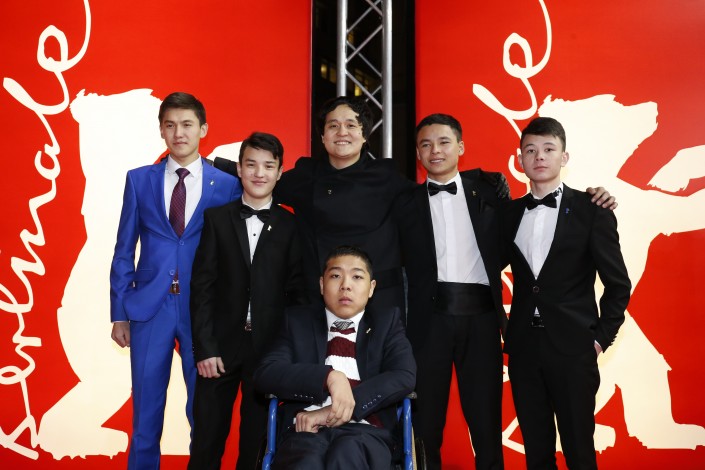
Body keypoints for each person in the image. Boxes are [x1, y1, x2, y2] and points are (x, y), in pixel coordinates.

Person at [396, 113, 618, 470]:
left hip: (487, 322)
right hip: (433, 326)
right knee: (428, 426)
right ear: (418, 153)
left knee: (492, 428)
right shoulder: (405, 202)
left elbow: (613, 281)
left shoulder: (490, 192)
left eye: (444, 142)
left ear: (461, 147)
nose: (435, 150)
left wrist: (599, 337)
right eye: (426, 144)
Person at [109, 92, 242, 469]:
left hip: (203, 311)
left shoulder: (227, 184)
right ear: (161, 131)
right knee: (145, 415)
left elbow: (234, 255)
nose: (178, 133)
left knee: (204, 414)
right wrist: (119, 312)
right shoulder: (139, 180)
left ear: (203, 129)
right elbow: (124, 249)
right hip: (149, 310)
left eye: (187, 125)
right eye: (170, 125)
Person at [501, 117, 631, 469]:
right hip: (524, 349)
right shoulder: (509, 213)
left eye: (548, 149)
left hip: (574, 348)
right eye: (530, 150)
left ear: (564, 157)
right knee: (536, 452)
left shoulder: (592, 209)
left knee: (579, 450)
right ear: (520, 160)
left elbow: (618, 284)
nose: (539, 157)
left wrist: (599, 339)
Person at [214, 96, 414, 309]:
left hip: (378, 300)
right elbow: (262, 179)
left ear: (364, 134)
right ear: (322, 136)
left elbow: (424, 206)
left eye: (351, 125)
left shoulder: (386, 177)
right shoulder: (306, 176)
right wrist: (208, 163)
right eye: (333, 126)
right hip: (317, 299)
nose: (342, 132)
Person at [187, 132, 304, 469]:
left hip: (268, 352)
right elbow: (202, 287)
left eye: (268, 166)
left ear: (279, 172)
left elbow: (297, 294)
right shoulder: (217, 219)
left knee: (256, 446)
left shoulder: (291, 225)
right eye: (251, 165)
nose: (259, 173)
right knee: (206, 442)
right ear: (239, 169)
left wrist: (286, 353)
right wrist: (204, 348)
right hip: (218, 349)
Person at [253, 245, 416, 470]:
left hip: (366, 431)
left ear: (371, 288)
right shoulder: (297, 322)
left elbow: (403, 375)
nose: (345, 285)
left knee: (348, 453)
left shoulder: (386, 323)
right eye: (336, 276)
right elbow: (266, 372)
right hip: (304, 432)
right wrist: (329, 377)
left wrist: (332, 411)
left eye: (357, 277)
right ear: (322, 284)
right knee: (306, 462)